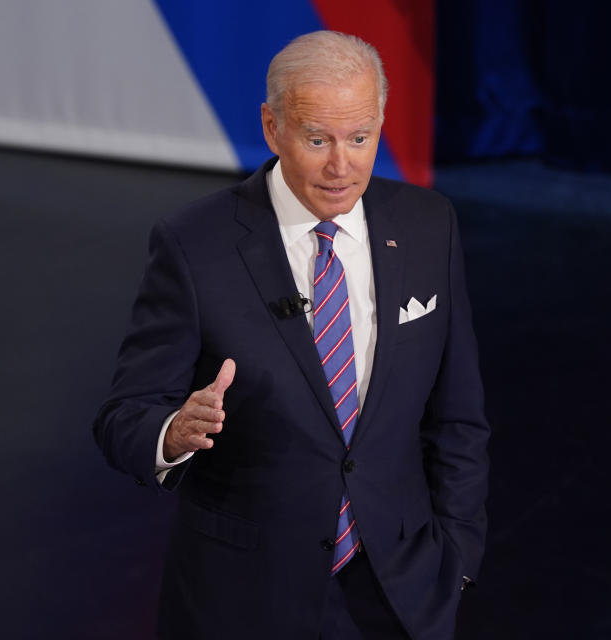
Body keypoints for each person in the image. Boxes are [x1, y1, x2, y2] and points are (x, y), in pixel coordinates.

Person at [93, 30, 490, 640]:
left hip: (403, 588)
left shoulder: (427, 225)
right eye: (317, 140)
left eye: (360, 138)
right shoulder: (194, 245)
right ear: (272, 127)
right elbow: (124, 416)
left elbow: (457, 414)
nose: (342, 165)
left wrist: (456, 558)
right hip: (244, 597)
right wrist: (173, 431)